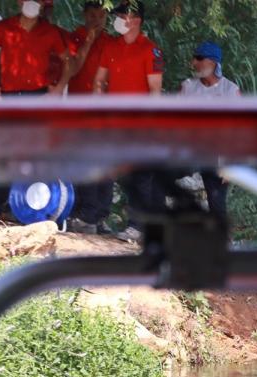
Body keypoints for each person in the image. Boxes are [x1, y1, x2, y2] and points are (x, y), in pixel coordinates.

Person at [93, 0, 165, 242]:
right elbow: (99, 80)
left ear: (136, 20)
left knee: (140, 175)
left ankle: (138, 226)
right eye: (119, 15)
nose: (118, 19)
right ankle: (96, 218)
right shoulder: (111, 47)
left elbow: (155, 90)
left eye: (123, 15)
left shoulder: (150, 50)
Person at [64, 1, 114, 234]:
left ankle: (100, 215)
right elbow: (72, 69)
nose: (97, 20)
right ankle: (83, 212)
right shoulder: (74, 38)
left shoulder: (112, 43)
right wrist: (88, 40)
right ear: (84, 15)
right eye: (92, 15)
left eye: (101, 16)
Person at [178, 40, 239, 218]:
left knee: (217, 204)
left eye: (199, 58)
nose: (193, 63)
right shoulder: (188, 87)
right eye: (194, 58)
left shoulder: (230, 90)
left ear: (212, 63)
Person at [0, 0, 68, 96]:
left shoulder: (51, 32)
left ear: (42, 4)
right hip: (9, 95)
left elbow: (68, 61)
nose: (31, 2)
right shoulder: (3, 27)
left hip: (39, 94)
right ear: (19, 2)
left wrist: (60, 87)